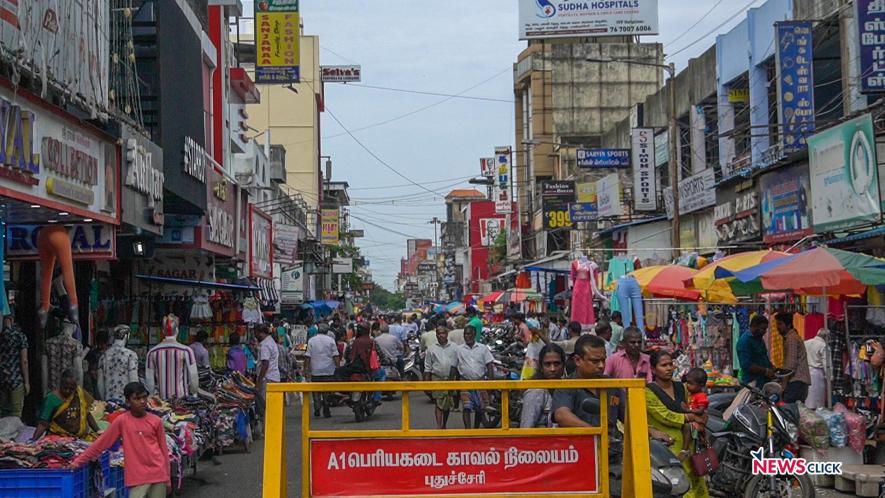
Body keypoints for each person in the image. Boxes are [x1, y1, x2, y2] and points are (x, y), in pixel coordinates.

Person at [71, 382, 171, 498]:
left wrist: (167, 478)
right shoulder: (122, 421)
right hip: (137, 477)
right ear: (128, 401)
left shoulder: (156, 421)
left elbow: (164, 451)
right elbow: (101, 443)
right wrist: (77, 462)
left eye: (144, 397)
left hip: (158, 474)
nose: (142, 401)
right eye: (137, 398)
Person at [645, 351, 709, 498]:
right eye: (663, 365)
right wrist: (692, 417)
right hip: (666, 444)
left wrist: (700, 416)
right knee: (676, 483)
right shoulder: (648, 391)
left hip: (688, 443)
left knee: (695, 479)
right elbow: (664, 416)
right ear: (654, 369)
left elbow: (691, 405)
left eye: (670, 364)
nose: (668, 368)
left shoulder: (682, 388)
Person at [552, 335, 625, 464]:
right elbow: (562, 415)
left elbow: (630, 414)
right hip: (580, 454)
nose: (601, 366)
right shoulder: (567, 386)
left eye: (603, 360)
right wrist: (596, 434)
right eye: (595, 361)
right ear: (578, 360)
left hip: (614, 453)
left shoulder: (612, 384)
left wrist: (651, 431)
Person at [33, 369, 101, 440]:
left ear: (76, 386)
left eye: (71, 389)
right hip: (58, 438)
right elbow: (43, 423)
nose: (67, 391)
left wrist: (98, 431)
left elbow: (87, 414)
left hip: (79, 439)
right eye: (65, 388)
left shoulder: (80, 394)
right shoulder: (51, 399)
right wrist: (33, 440)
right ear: (60, 384)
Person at [454, 328, 494, 429]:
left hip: (480, 382)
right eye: (465, 334)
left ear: (474, 334)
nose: (467, 336)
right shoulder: (459, 349)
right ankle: (468, 431)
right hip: (465, 382)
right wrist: (451, 385)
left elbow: (489, 364)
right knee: (466, 407)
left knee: (480, 408)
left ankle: (475, 430)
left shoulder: (483, 348)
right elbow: (453, 367)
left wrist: (491, 382)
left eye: (469, 334)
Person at [520, 343, 565, 428]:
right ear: (541, 367)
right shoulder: (536, 392)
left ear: (563, 366)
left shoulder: (566, 388)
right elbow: (526, 428)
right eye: (547, 364)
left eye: (557, 364)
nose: (553, 369)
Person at [424, 326, 459, 429]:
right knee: (438, 402)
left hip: (450, 378)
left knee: (447, 404)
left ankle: (444, 424)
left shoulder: (454, 347)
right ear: (436, 335)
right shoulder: (431, 348)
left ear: (447, 334)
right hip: (437, 377)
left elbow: (458, 364)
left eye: (443, 333)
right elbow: (427, 367)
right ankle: (439, 426)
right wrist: (426, 383)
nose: (441, 335)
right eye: (438, 334)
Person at [305, 323, 340, 418]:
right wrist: (338, 367)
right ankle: (326, 408)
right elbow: (335, 356)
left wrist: (306, 370)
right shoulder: (331, 340)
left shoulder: (311, 340)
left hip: (315, 370)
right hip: (328, 370)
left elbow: (307, 357)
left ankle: (317, 407)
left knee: (316, 391)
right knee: (327, 391)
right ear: (327, 331)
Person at [775, 312, 810, 403]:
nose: (777, 327)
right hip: (799, 381)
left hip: (796, 381)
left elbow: (790, 366)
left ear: (788, 325)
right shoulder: (791, 337)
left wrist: (784, 385)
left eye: (780, 324)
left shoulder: (791, 338)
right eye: (777, 324)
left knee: (789, 411)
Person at [0, 314, 29, 418]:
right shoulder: (20, 336)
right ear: (12, 320)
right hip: (16, 378)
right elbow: (24, 360)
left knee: (3, 412)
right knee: (16, 413)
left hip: (2, 379)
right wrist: (26, 382)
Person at [254, 325, 280, 438]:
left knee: (266, 406)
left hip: (268, 378)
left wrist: (259, 381)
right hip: (274, 376)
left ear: (260, 332)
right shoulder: (271, 342)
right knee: (271, 406)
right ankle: (271, 429)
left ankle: (267, 430)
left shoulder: (265, 345)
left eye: (255, 333)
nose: (255, 336)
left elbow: (265, 363)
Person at [737, 315, 775, 387]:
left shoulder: (759, 339)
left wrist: (772, 368)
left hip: (764, 382)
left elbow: (763, 357)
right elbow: (747, 365)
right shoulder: (745, 341)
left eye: (765, 329)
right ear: (754, 326)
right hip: (753, 383)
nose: (764, 332)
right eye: (763, 329)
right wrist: (765, 370)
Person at [681, 367, 710, 452]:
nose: (687, 385)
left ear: (701, 385)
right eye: (687, 382)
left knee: (687, 427)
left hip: (698, 421)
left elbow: (700, 410)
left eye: (691, 383)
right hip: (692, 419)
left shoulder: (701, 396)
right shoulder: (690, 394)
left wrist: (687, 410)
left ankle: (684, 450)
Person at [84, 329, 110, 398]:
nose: (100, 346)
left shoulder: (108, 353)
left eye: (102, 343)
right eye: (99, 343)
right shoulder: (93, 353)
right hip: (94, 381)